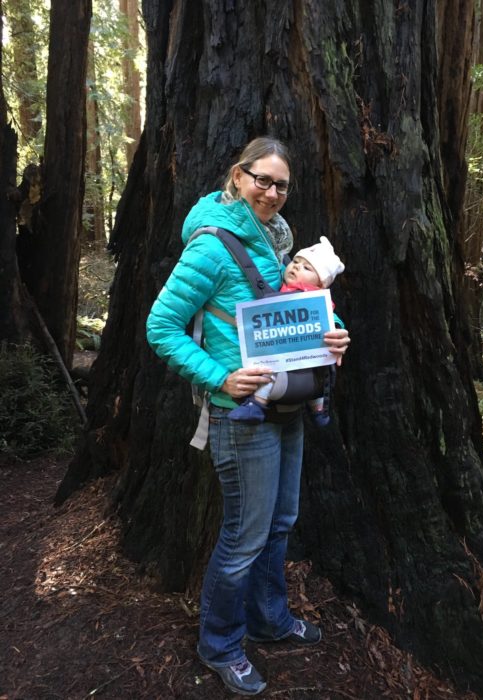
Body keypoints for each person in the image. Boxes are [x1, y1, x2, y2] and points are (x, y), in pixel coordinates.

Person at [146, 137, 350, 696]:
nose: (271, 192)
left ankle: (270, 619)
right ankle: (220, 644)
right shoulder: (212, 245)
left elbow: (282, 316)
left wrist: (329, 340)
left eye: (281, 184)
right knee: (244, 537)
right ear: (238, 176)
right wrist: (221, 378)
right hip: (241, 414)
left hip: (285, 408)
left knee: (280, 524)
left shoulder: (277, 242)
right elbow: (159, 327)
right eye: (262, 179)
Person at [228, 235, 345, 427]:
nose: (297, 267)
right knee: (317, 371)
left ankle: (257, 404)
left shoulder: (305, 294)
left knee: (269, 368)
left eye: (307, 268)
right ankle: (318, 410)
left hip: (296, 356)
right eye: (296, 262)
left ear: (321, 283)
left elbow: (273, 311)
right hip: (302, 362)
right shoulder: (290, 288)